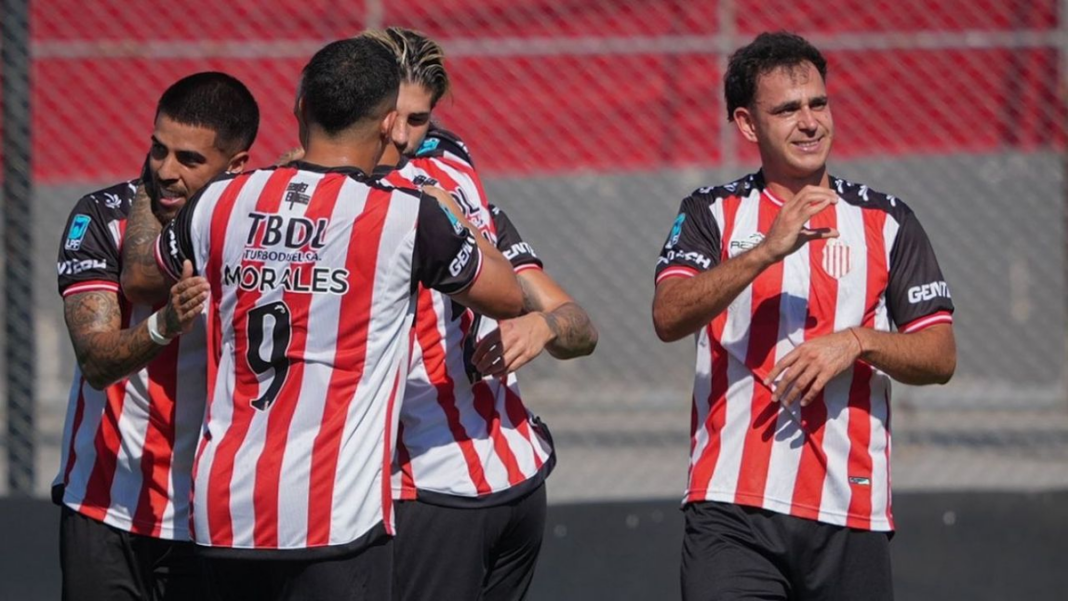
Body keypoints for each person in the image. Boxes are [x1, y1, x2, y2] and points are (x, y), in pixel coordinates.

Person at [120, 36, 524, 600]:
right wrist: (460, 213)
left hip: (222, 510)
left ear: (299, 110)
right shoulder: (407, 216)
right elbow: (507, 297)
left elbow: (140, 277)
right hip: (333, 517)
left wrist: (150, 182)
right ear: (388, 125)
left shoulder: (221, 201)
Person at [651, 32, 956, 600]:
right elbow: (668, 315)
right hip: (731, 507)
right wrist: (767, 249)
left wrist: (858, 342)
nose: (810, 122)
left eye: (819, 103)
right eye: (787, 109)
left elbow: (940, 355)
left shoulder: (887, 221)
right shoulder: (710, 213)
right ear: (747, 125)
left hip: (850, 509)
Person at [355, 27, 598, 601]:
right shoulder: (346, 201)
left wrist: (545, 324)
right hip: (423, 491)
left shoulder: (453, 177)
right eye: (393, 117)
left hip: (513, 482)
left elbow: (578, 328)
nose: (405, 138)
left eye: (420, 121)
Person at [54, 72, 259, 600]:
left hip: (213, 516)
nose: (166, 171)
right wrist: (163, 325)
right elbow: (97, 361)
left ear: (236, 166)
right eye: (158, 149)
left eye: (189, 160)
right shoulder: (103, 215)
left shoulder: (259, 232)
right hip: (105, 507)